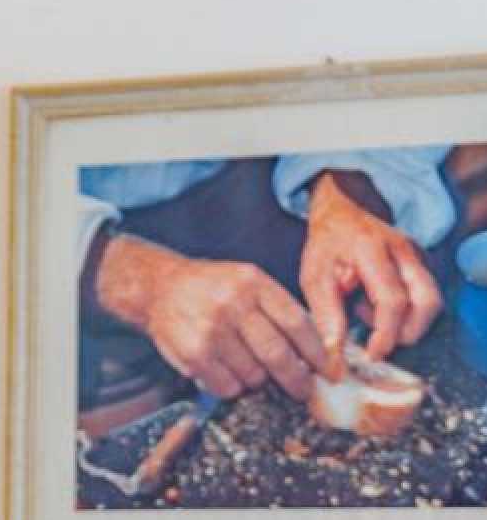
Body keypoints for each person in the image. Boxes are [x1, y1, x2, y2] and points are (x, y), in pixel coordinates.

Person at [76, 149, 454, 421]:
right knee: (119, 447)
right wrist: (138, 283)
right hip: (74, 256)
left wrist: (349, 186)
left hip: (252, 179)